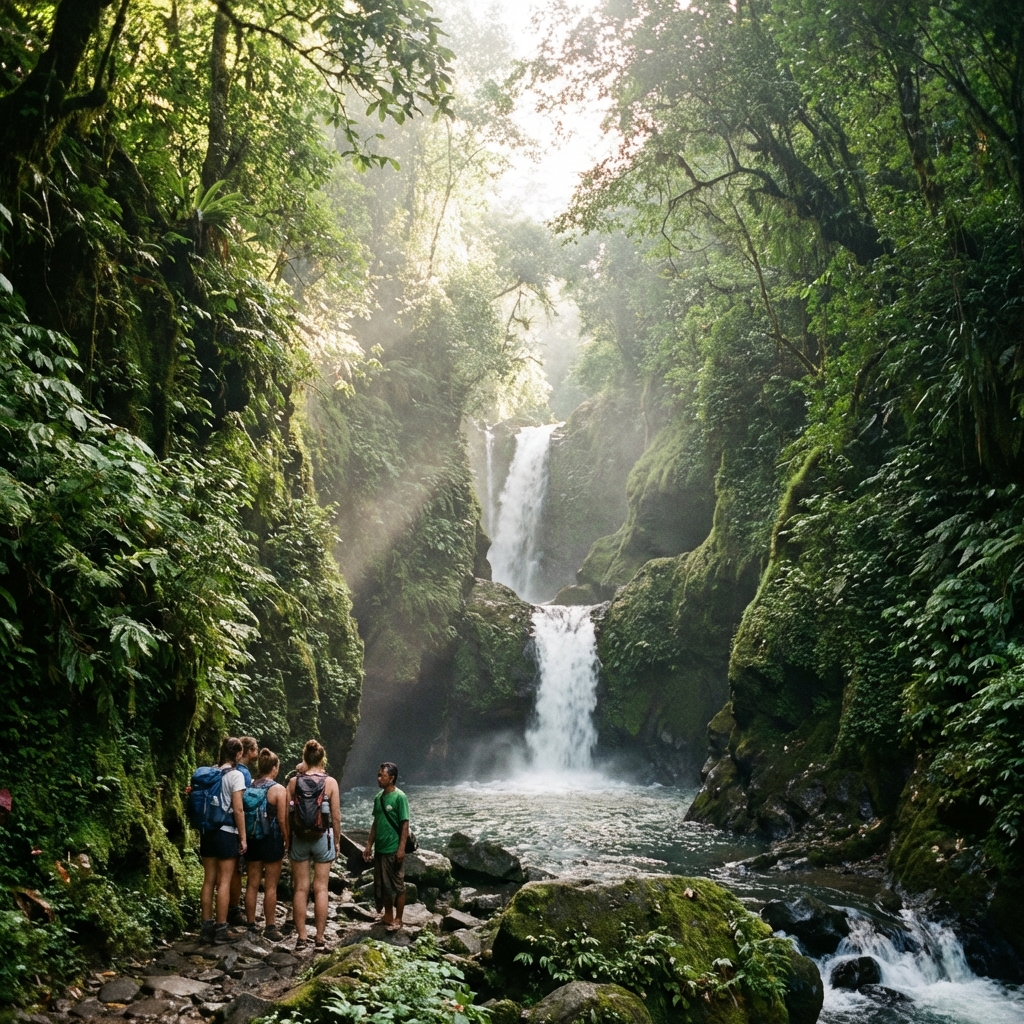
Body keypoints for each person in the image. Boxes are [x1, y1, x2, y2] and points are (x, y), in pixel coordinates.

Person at [287, 739, 340, 951]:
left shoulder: (293, 782)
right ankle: (319, 938)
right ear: (323, 759)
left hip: (299, 838)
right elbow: (335, 817)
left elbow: (286, 814)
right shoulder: (331, 783)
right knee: (321, 889)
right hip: (322, 838)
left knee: (300, 888)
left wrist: (287, 838)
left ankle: (301, 938)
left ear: (304, 758)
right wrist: (336, 840)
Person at [199, 737, 248, 944]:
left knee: (209, 879)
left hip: (208, 831)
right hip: (227, 832)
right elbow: (238, 809)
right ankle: (221, 929)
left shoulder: (211, 772)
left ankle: (205, 927)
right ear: (238, 754)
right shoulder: (236, 775)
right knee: (224, 881)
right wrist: (243, 837)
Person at [243, 748, 289, 942]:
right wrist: (287, 838)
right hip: (271, 841)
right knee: (270, 886)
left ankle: (251, 924)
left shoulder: (250, 785)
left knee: (252, 884)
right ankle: (270, 926)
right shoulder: (278, 789)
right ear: (274, 768)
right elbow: (281, 819)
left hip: (253, 838)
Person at [362, 762, 409, 932]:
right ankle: (388, 915)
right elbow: (375, 823)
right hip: (380, 850)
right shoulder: (379, 798)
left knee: (397, 885)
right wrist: (368, 846)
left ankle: (399, 918)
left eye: (382, 775)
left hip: (393, 849)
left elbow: (405, 824)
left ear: (392, 778)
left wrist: (401, 848)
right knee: (383, 885)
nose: (379, 778)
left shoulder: (400, 797)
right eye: (378, 774)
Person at [228, 736, 260, 926]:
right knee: (235, 872)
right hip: (235, 826)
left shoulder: (229, 768)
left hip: (222, 824)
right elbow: (244, 803)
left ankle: (226, 910)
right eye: (255, 749)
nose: (257, 752)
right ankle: (233, 910)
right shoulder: (243, 773)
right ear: (248, 752)